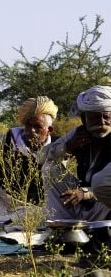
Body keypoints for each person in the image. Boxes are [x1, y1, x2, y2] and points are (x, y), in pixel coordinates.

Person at [41, 86, 111, 221]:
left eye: (106, 117)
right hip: (85, 203)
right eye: (95, 118)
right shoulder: (80, 133)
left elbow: (106, 185)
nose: (102, 123)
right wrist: (68, 147)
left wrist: (85, 193)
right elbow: (42, 157)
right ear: (84, 120)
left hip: (105, 203)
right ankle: (62, 223)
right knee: (50, 168)